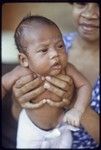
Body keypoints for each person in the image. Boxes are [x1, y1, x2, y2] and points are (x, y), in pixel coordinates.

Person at [2, 15, 92, 148]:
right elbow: (3, 84)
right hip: (31, 130)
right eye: (44, 50)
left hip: (61, 128)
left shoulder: (67, 69)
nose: (55, 53)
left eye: (60, 46)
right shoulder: (22, 72)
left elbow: (84, 85)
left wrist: (77, 110)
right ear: (24, 60)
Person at [62, 2, 100, 148]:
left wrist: (75, 102)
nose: (90, 14)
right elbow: (20, 116)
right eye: (82, 2)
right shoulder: (51, 46)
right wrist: (19, 99)